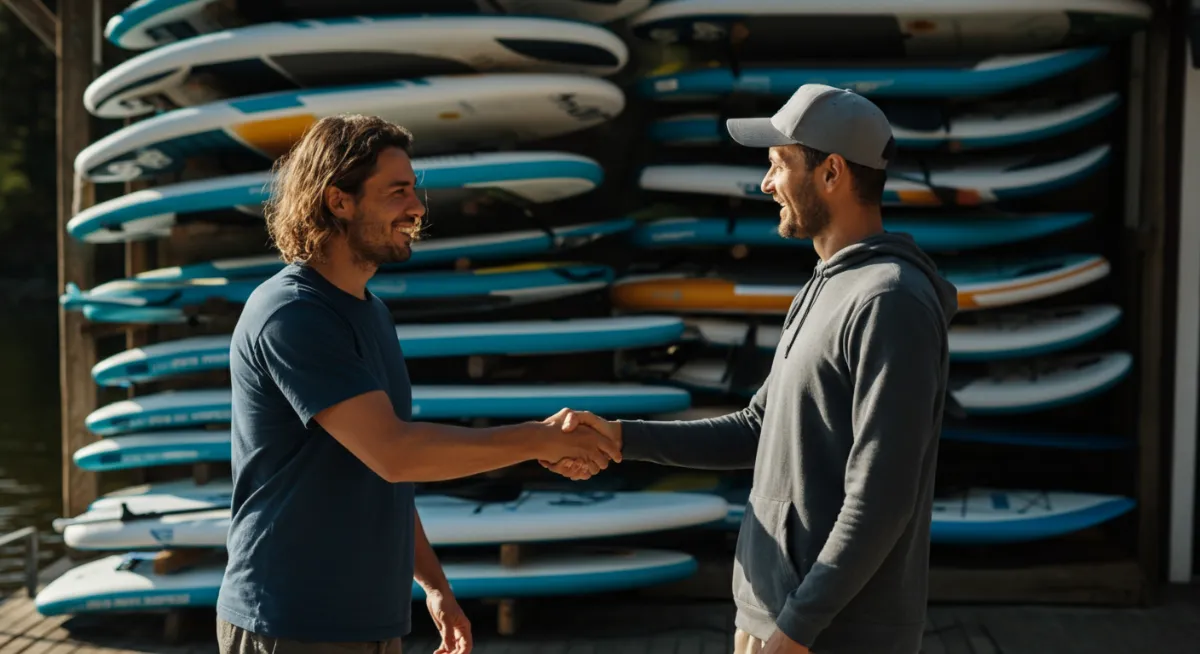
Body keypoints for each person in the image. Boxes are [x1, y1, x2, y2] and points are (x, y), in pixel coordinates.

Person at [542, 84, 959, 654]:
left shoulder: (891, 301)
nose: (766, 184)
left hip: (830, 636)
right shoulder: (825, 286)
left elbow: (881, 500)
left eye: (778, 164)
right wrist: (618, 439)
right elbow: (759, 429)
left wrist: (796, 629)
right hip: (777, 619)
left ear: (831, 172)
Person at [215, 114, 622, 654]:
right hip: (290, 621)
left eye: (414, 190)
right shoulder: (292, 314)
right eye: (397, 192)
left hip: (371, 621)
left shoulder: (370, 312)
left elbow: (382, 476)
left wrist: (433, 586)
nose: (417, 208)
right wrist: (538, 440)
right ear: (339, 201)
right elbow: (396, 453)